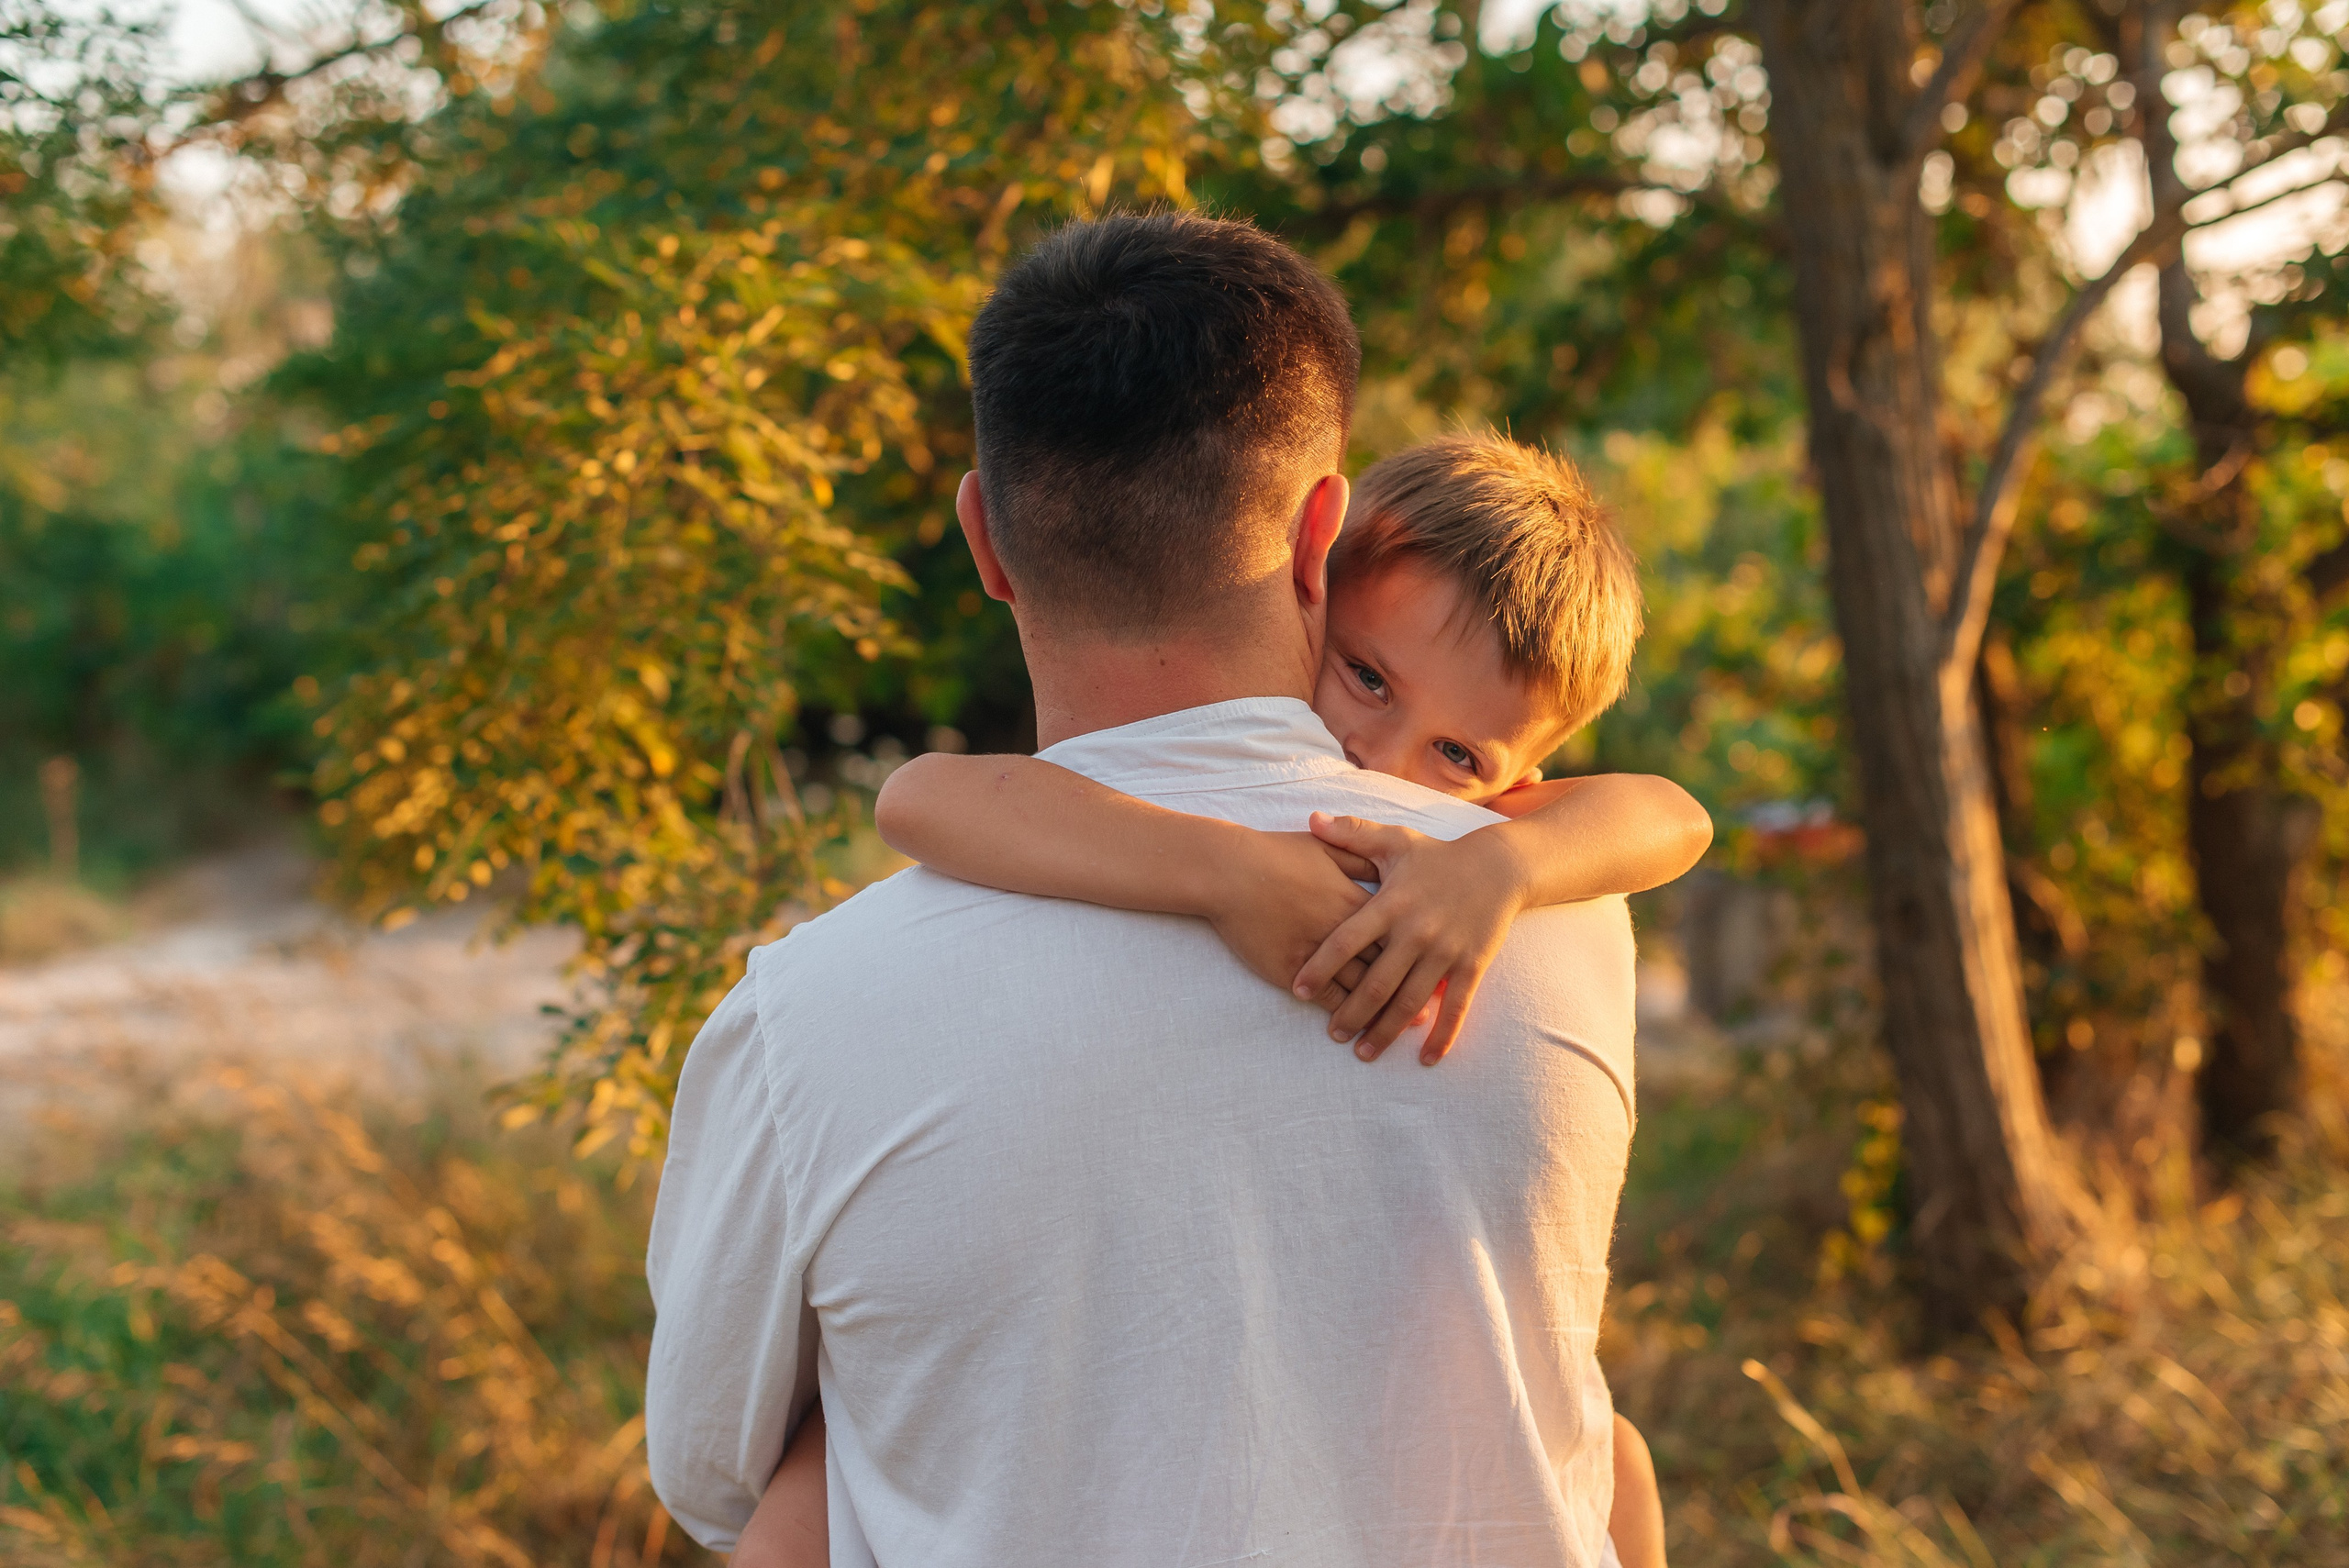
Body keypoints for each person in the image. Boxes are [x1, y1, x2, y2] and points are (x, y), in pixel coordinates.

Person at [646, 211, 1650, 1566]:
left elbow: (712, 1475)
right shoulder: (1560, 926)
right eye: (1373, 683)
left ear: (986, 540)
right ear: (1321, 538)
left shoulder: (805, 1018)